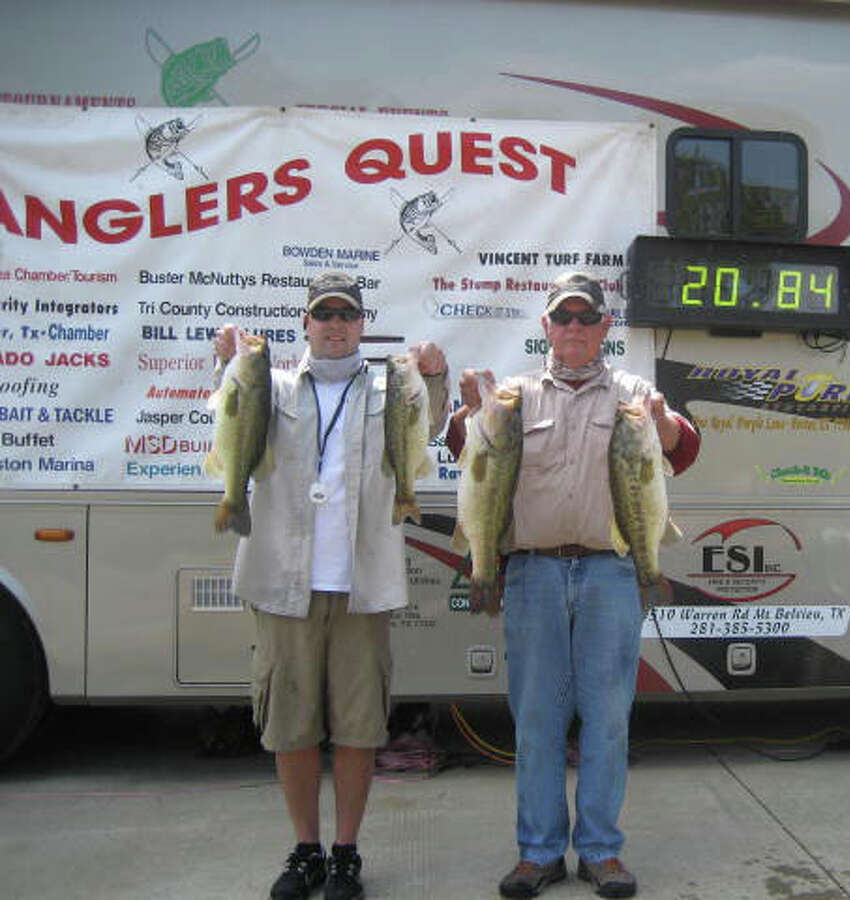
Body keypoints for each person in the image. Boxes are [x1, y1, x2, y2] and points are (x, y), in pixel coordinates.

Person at [447, 271, 700, 898]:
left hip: (612, 572)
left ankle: (600, 851)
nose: (575, 328)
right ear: (547, 327)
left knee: (607, 719)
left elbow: (682, 448)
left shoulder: (633, 393)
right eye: (564, 317)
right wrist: (469, 406)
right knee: (536, 719)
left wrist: (662, 421)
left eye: (587, 317)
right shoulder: (514, 395)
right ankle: (538, 853)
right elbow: (464, 449)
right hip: (532, 572)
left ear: (606, 326)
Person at [212, 271, 449, 900]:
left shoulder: (388, 387)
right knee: (289, 727)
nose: (336, 324)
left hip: (361, 587)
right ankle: (304, 850)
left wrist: (433, 376)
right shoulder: (272, 384)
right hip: (283, 583)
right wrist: (226, 360)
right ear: (306, 323)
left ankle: (345, 851)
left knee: (358, 727)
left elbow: (428, 426)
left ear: (362, 324)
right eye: (325, 314)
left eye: (347, 314)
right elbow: (234, 417)